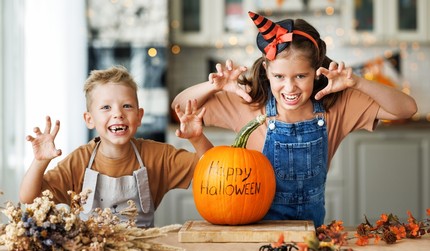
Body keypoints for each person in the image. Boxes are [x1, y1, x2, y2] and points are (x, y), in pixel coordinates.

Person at [171, 12, 418, 228]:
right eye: (279, 76)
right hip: (253, 230)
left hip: (311, 232)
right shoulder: (249, 101)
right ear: (266, 70)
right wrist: (213, 87)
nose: (290, 87)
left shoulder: (337, 105)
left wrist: (358, 82)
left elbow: (406, 109)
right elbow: (180, 107)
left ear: (316, 71)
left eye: (301, 76)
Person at [19, 65, 212, 228]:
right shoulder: (79, 161)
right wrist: (39, 162)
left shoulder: (157, 156)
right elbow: (30, 199)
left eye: (127, 106)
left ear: (139, 116)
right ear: (89, 119)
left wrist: (197, 138)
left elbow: (212, 168)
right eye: (106, 107)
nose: (118, 114)